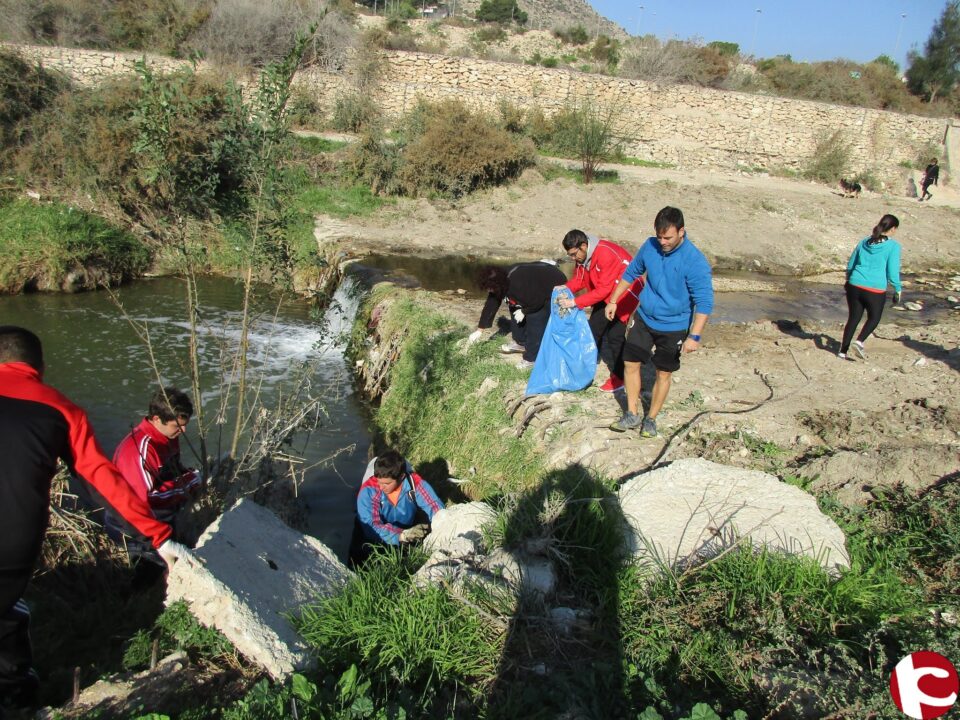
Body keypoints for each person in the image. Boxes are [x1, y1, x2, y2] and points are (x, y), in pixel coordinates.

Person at [0, 327, 188, 710]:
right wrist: (159, 537)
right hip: (11, 544)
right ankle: (17, 696)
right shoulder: (63, 410)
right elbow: (104, 482)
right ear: (40, 367)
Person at [605, 207, 714, 438]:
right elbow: (631, 272)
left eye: (668, 238)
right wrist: (613, 300)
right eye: (659, 236)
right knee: (630, 363)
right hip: (644, 317)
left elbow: (704, 302)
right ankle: (632, 413)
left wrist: (694, 336)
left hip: (674, 326)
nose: (662, 242)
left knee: (663, 373)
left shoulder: (694, 261)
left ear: (681, 231)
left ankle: (651, 419)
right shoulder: (650, 246)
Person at [105, 388, 202, 574]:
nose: (183, 430)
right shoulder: (139, 451)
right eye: (177, 426)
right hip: (133, 531)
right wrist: (189, 483)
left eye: (185, 425)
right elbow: (146, 500)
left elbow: (173, 470)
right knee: (159, 573)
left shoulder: (168, 435)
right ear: (157, 419)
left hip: (159, 522)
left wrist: (188, 476)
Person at [556, 229, 644, 393]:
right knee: (599, 330)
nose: (573, 258)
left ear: (583, 246)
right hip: (607, 292)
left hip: (626, 292)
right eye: (570, 255)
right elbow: (580, 280)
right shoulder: (583, 257)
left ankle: (618, 377)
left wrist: (574, 302)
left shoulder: (604, 254)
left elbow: (604, 290)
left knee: (609, 334)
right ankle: (594, 364)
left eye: (574, 254)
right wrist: (564, 288)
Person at [351, 450, 444, 566]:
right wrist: (401, 535)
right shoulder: (369, 491)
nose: (381, 487)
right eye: (379, 482)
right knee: (359, 565)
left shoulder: (414, 483)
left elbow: (434, 506)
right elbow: (372, 525)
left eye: (387, 484)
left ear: (401, 476)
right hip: (370, 538)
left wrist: (441, 526)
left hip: (404, 531)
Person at [468, 260, 566, 369]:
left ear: (496, 284)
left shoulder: (517, 283)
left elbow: (537, 302)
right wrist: (479, 330)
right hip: (530, 287)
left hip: (552, 284)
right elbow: (491, 303)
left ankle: (532, 359)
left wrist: (524, 311)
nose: (488, 291)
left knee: (535, 318)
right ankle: (520, 343)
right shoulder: (499, 280)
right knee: (514, 305)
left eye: (489, 288)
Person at [838, 214, 902, 361]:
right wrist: (897, 288)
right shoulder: (893, 246)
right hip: (874, 288)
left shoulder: (864, 241)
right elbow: (892, 272)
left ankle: (842, 352)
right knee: (874, 317)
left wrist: (848, 280)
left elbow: (851, 264)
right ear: (893, 229)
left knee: (853, 318)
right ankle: (859, 342)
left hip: (854, 284)